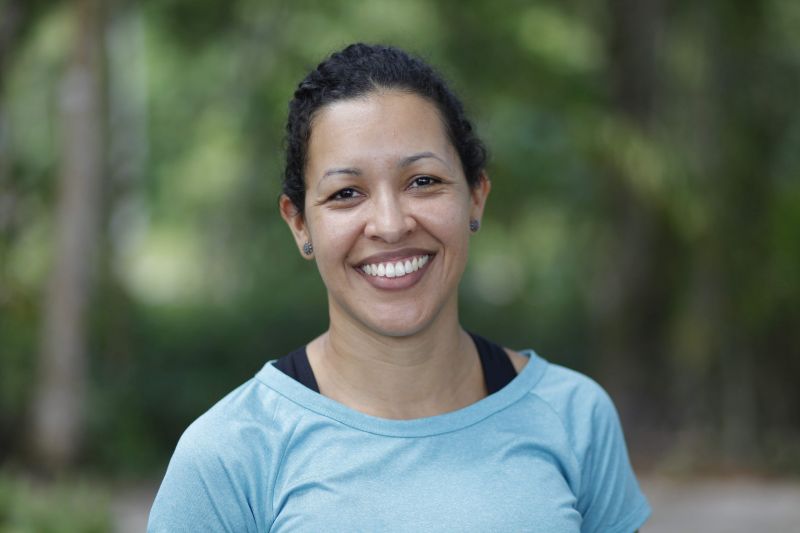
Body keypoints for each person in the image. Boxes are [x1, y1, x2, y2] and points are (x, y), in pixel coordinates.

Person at [148, 43, 651, 532]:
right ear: (299, 223)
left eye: (423, 181)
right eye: (347, 193)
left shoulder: (574, 415)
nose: (390, 224)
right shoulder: (230, 454)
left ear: (475, 197)